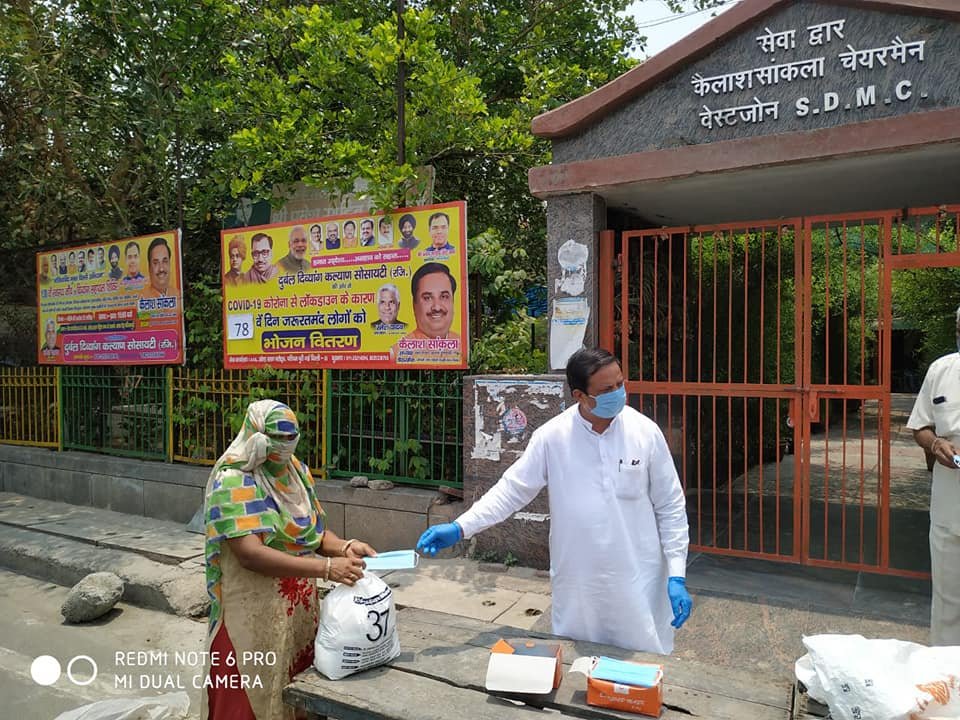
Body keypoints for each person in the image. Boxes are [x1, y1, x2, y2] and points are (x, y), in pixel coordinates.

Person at [418, 347, 693, 654]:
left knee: (640, 667)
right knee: (575, 667)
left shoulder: (645, 432)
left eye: (620, 384)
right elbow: (511, 491)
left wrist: (677, 575)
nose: (619, 394)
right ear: (580, 396)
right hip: (579, 584)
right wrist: (460, 527)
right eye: (606, 390)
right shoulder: (553, 437)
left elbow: (670, 506)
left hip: (638, 578)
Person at [201, 400, 377, 720]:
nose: (284, 447)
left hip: (297, 614)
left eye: (290, 437)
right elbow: (250, 554)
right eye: (276, 439)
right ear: (254, 433)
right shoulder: (233, 479)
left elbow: (314, 534)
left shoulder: (296, 472)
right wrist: (325, 568)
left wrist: (344, 547)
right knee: (249, 697)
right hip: (249, 614)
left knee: (297, 696)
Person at [907, 305, 960, 646]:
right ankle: (946, 681)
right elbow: (919, 426)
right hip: (949, 507)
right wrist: (936, 443)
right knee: (947, 602)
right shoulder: (941, 370)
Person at [401, 263, 459, 341]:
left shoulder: (461, 345)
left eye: (444, 297)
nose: (437, 307)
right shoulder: (398, 351)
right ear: (414, 305)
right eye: (427, 298)